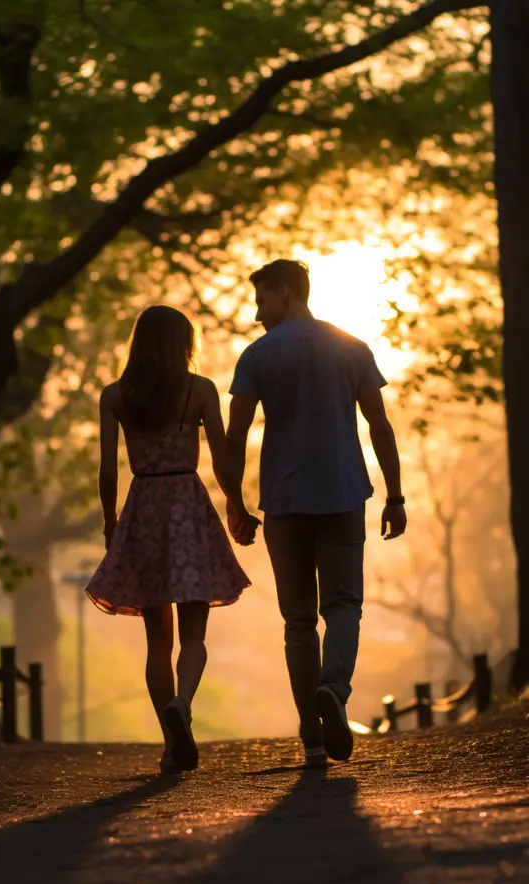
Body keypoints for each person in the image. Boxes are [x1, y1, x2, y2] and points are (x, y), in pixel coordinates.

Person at [226, 259, 407, 769]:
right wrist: (395, 495)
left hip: (284, 504)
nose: (258, 313)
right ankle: (334, 689)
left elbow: (235, 435)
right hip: (344, 495)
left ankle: (311, 735)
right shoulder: (351, 346)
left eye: (262, 300)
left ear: (285, 293)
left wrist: (234, 500)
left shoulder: (257, 356)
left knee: (298, 620)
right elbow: (380, 425)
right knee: (344, 605)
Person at [86, 305, 259, 774]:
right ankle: (183, 703)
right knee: (194, 637)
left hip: (145, 508)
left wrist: (111, 519)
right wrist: (236, 505)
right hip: (188, 503)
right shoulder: (199, 390)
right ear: (184, 343)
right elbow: (222, 458)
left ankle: (170, 742)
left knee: (156, 641)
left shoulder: (116, 396)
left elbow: (107, 470)